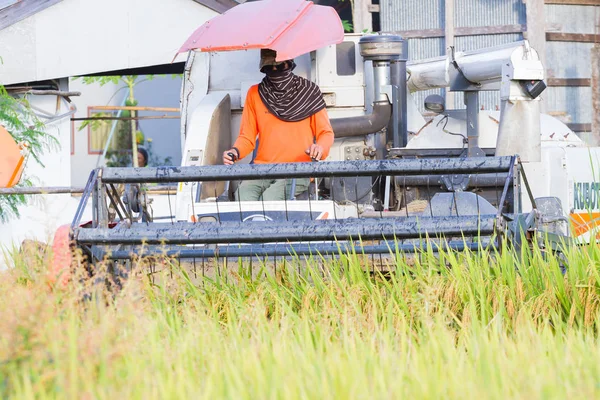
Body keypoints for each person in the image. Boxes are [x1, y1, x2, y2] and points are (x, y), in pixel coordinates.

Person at [223, 48, 334, 201]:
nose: (276, 71)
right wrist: (235, 152)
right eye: (270, 68)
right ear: (263, 69)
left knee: (269, 200)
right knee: (242, 198)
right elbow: (247, 137)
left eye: (280, 66)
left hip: (299, 170)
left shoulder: (309, 91)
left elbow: (325, 133)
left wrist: (320, 148)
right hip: (262, 169)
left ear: (290, 64)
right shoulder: (255, 93)